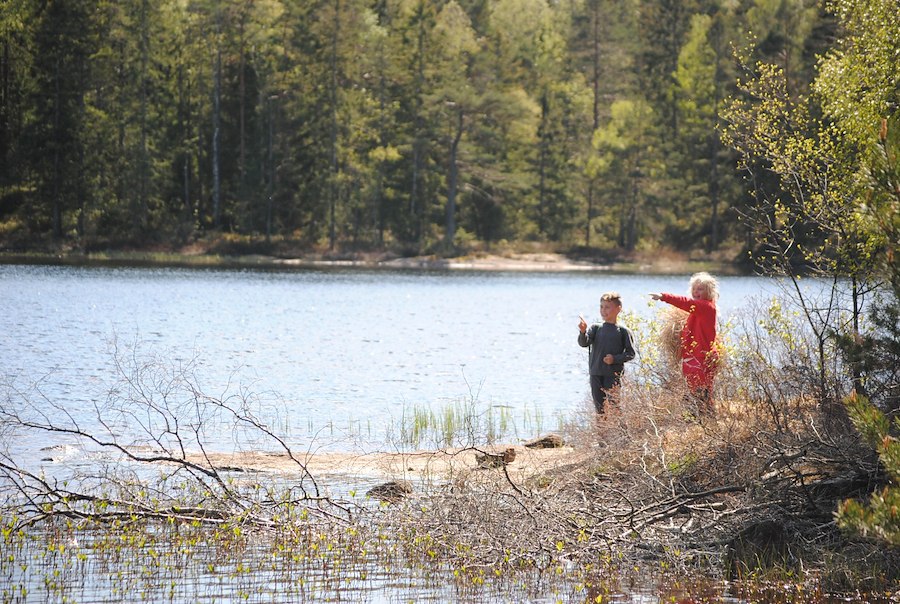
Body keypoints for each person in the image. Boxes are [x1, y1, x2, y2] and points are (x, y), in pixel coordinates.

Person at [649, 272, 719, 414]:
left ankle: (706, 426)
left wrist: (664, 297)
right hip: (692, 358)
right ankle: (703, 425)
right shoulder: (699, 310)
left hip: (700, 360)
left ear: (709, 291)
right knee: (696, 396)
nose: (696, 291)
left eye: (700, 288)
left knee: (700, 396)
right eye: (694, 288)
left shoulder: (706, 307)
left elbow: (686, 303)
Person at [577, 292, 636, 414]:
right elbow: (584, 343)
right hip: (596, 374)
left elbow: (631, 354)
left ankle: (618, 431)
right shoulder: (595, 328)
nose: (603, 310)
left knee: (614, 406)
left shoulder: (623, 331)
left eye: (607, 307)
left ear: (618, 309)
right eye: (601, 307)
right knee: (600, 409)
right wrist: (583, 332)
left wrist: (614, 359)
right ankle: (601, 432)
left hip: (613, 375)